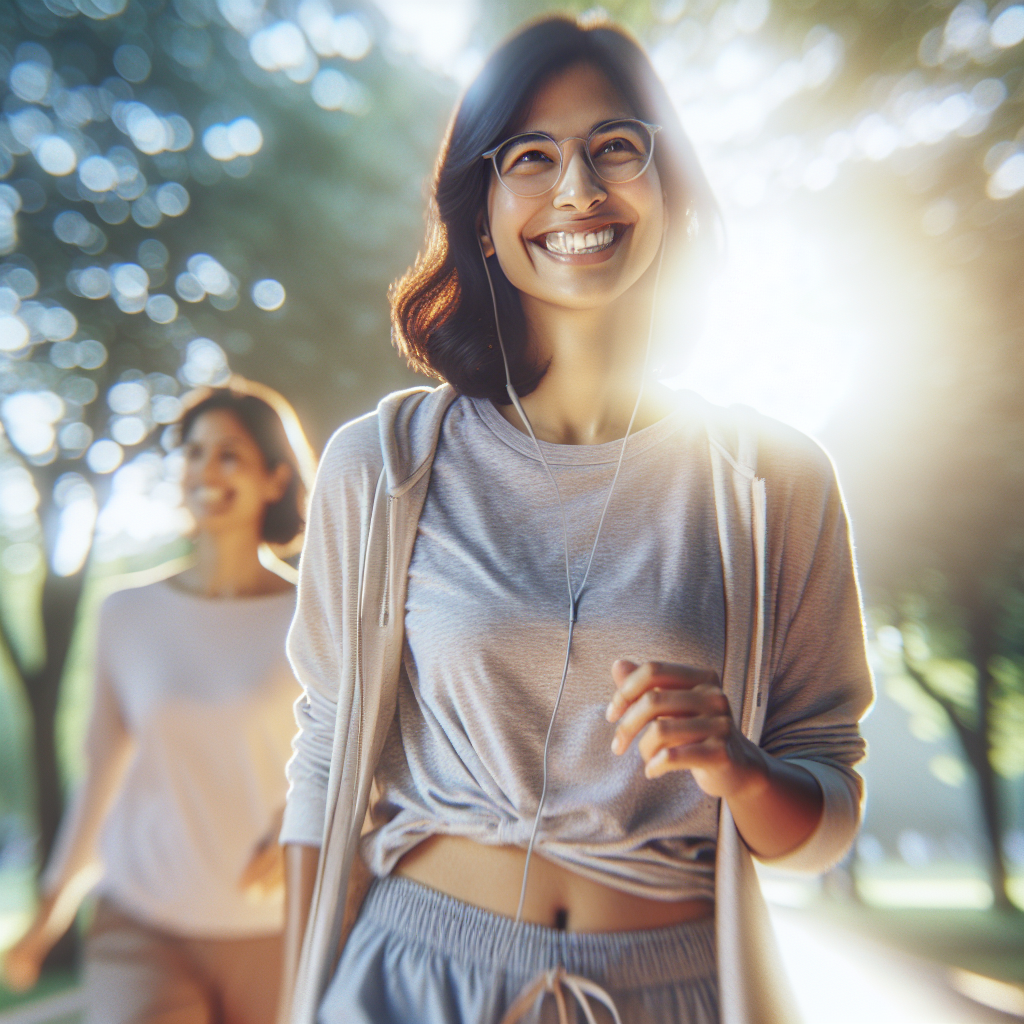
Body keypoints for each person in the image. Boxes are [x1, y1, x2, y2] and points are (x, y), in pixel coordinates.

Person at [277, 14, 873, 1024]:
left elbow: (826, 817)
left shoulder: (774, 480)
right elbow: (327, 752)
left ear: (669, 184)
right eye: (531, 157)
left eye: (615, 149)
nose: (578, 191)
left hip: (667, 991)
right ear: (480, 212)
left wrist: (740, 767)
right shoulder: (383, 465)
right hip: (410, 981)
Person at [3, 377, 316, 1024]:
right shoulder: (127, 613)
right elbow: (101, 776)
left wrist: (310, 816)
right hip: (142, 918)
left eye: (228, 453)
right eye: (193, 452)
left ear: (275, 479)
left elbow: (366, 758)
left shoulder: (319, 617)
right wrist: (50, 915)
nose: (204, 469)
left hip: (276, 931)